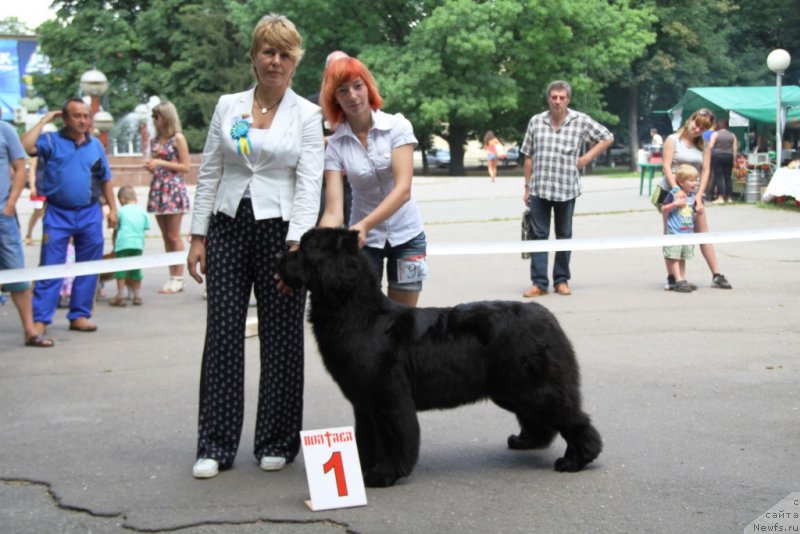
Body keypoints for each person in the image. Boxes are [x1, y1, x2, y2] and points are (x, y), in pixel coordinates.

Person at [186, 14, 324, 479]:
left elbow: (308, 185)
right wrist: (198, 235)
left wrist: (296, 247)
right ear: (254, 56)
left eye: (285, 54)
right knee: (222, 335)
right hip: (227, 226)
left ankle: (277, 441)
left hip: (280, 232)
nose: (276, 61)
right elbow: (210, 171)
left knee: (282, 336)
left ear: (295, 61)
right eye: (269, 52)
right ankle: (215, 444)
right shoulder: (229, 106)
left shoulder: (307, 114)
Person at [318, 57, 427, 307]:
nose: (352, 96)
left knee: (403, 321)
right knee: (364, 318)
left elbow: (403, 191)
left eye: (357, 86)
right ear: (334, 98)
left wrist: (364, 225)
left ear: (368, 87)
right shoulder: (335, 146)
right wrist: (315, 246)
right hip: (364, 243)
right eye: (342, 90)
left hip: (408, 235)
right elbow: (334, 212)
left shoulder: (397, 126)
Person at [20, 98, 118, 333]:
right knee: (50, 265)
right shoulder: (51, 141)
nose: (83, 120)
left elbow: (105, 179)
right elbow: (25, 146)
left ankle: (80, 315)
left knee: (88, 266)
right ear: (65, 118)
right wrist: (44, 120)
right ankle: (41, 318)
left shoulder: (95, 145)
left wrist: (113, 210)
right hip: (58, 213)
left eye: (86, 116)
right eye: (77, 116)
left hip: (90, 212)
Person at [520, 80, 614, 297]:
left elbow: (607, 137)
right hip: (539, 188)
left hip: (566, 189)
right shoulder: (536, 122)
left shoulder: (579, 121)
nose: (557, 101)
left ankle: (561, 280)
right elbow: (528, 156)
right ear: (548, 99)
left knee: (564, 235)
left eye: (562, 97)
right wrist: (527, 187)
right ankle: (539, 283)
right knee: (539, 236)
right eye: (554, 97)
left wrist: (587, 157)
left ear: (568, 100)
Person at [656, 108, 732, 290]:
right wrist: (675, 189)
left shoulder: (704, 144)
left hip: (693, 193)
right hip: (670, 191)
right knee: (671, 234)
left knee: (703, 233)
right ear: (690, 120)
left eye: (702, 128)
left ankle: (716, 274)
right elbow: (666, 166)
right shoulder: (672, 140)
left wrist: (699, 195)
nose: (697, 130)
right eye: (696, 124)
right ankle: (673, 277)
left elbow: (706, 170)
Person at [0, 118, 54, 347]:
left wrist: (11, 204)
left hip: (3, 215)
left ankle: (30, 331)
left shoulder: (5, 130)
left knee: (17, 273)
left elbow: (20, 167)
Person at [145, 100, 191, 294]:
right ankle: (171, 275)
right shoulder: (154, 140)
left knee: (174, 236)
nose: (154, 120)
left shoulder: (177, 138)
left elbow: (185, 167)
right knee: (166, 237)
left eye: (157, 116)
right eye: (153, 117)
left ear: (167, 118)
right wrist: (152, 165)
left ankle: (179, 277)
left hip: (172, 190)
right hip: (158, 188)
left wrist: (160, 163)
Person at [307, 50, 351, 223]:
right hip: (322, 183)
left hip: (352, 183)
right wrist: (328, 141)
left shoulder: (355, 102)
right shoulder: (310, 106)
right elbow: (300, 142)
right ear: (326, 72)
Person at [661, 164, 702, 293]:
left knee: (683, 256)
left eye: (695, 179)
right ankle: (677, 279)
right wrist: (675, 204)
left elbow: (693, 212)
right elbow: (663, 209)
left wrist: (699, 211)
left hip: (687, 233)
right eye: (691, 180)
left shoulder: (691, 196)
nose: (694, 183)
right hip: (675, 232)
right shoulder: (674, 194)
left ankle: (682, 279)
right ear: (680, 182)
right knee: (674, 256)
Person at [109, 186, 150, 307]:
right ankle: (137, 295)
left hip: (123, 244)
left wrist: (114, 243)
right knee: (136, 269)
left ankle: (120, 295)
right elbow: (146, 227)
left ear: (121, 199)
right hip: (138, 244)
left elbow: (116, 228)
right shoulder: (142, 211)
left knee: (121, 269)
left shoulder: (121, 211)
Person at [708, 119, 738, 203]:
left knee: (719, 176)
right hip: (729, 156)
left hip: (717, 156)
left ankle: (720, 197)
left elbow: (710, 146)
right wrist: (734, 159)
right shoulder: (732, 135)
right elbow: (735, 148)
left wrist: (708, 156)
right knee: (728, 177)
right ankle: (729, 198)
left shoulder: (715, 134)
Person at [24, 156, 44, 246]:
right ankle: (28, 235)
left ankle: (48, 237)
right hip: (39, 187)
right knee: (37, 213)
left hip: (50, 187)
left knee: (47, 213)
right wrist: (32, 186)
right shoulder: (36, 154)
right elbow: (32, 171)